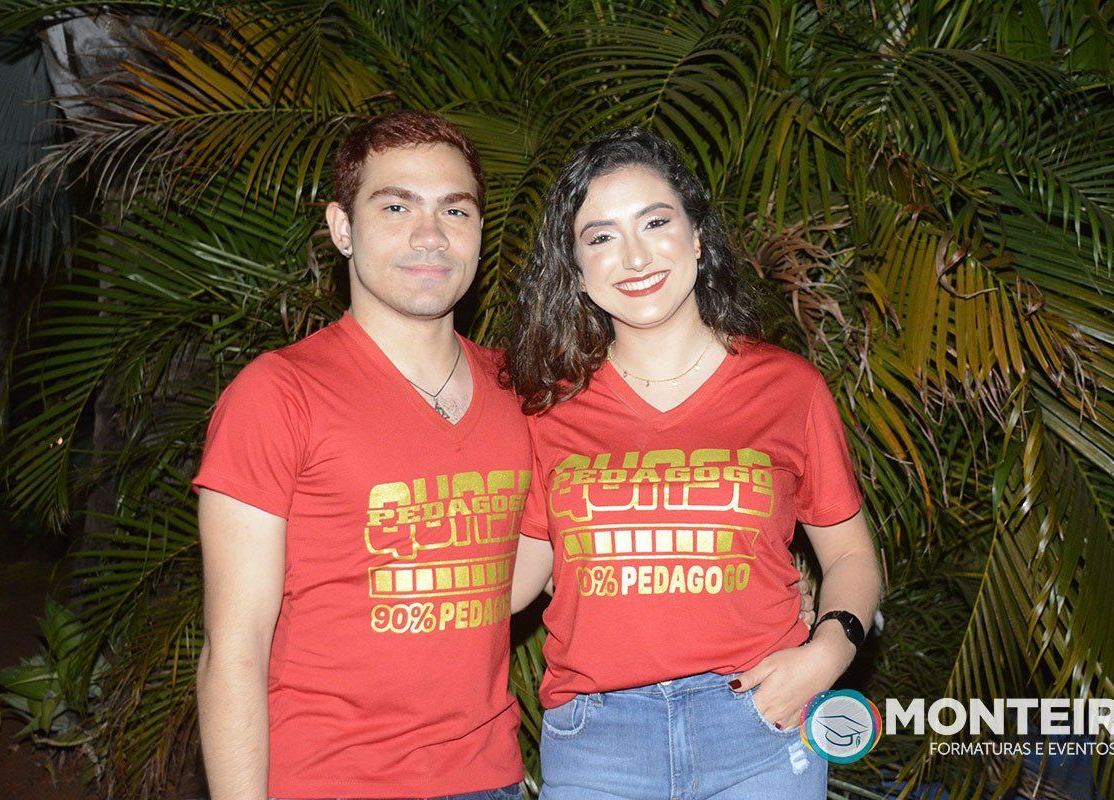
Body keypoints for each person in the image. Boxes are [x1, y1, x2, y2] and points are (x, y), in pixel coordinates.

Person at [505, 127, 884, 800]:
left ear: (699, 237)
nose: (635, 255)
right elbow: (508, 586)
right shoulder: (548, 412)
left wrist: (827, 653)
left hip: (760, 722)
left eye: (655, 222)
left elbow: (851, 554)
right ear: (578, 271)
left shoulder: (787, 389)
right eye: (601, 237)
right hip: (599, 744)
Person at [193, 110, 527, 800]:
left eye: (455, 210)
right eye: (396, 206)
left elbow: (544, 563)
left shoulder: (519, 392)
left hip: (488, 776)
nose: (430, 235)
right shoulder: (277, 395)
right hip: (328, 779)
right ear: (342, 228)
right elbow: (234, 648)